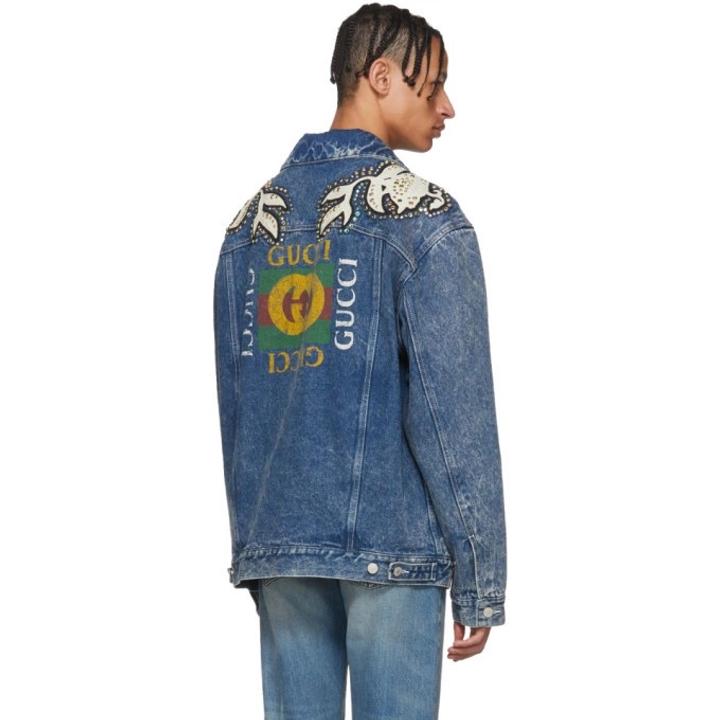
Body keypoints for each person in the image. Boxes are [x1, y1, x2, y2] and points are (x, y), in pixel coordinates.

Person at [213, 4, 508, 718]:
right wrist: (480, 576)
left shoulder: (249, 227)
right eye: (433, 84)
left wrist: (257, 546)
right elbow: (452, 416)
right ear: (380, 77)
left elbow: (237, 410)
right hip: (392, 549)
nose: (447, 107)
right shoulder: (425, 221)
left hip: (282, 546)